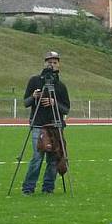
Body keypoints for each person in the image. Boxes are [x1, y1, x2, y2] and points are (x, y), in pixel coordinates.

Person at [22, 51, 70, 195]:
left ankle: (48, 188)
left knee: (53, 158)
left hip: (55, 125)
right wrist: (34, 96)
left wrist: (54, 102)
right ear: (44, 63)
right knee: (37, 157)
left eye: (55, 62)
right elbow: (26, 102)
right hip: (38, 125)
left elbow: (66, 108)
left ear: (58, 65)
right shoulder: (34, 81)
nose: (52, 65)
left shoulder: (61, 86)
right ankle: (28, 188)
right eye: (49, 62)